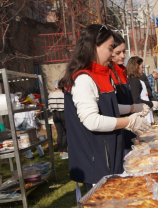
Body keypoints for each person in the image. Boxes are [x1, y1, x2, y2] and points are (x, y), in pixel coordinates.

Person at [59, 24, 150, 194]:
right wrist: (128, 122)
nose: (112, 53)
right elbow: (92, 120)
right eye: (109, 48)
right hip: (96, 162)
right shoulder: (84, 79)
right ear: (94, 47)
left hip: (108, 156)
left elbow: (107, 108)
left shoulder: (100, 74)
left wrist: (133, 107)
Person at [127, 56, 158, 123]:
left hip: (146, 114)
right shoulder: (135, 81)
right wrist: (151, 103)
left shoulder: (138, 80)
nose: (143, 69)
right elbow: (136, 100)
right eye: (142, 67)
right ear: (136, 68)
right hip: (142, 116)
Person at [48, 80, 68, 159]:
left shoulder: (50, 95)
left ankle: (61, 152)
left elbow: (50, 107)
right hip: (63, 113)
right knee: (65, 133)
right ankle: (65, 152)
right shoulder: (64, 94)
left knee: (59, 133)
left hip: (55, 115)